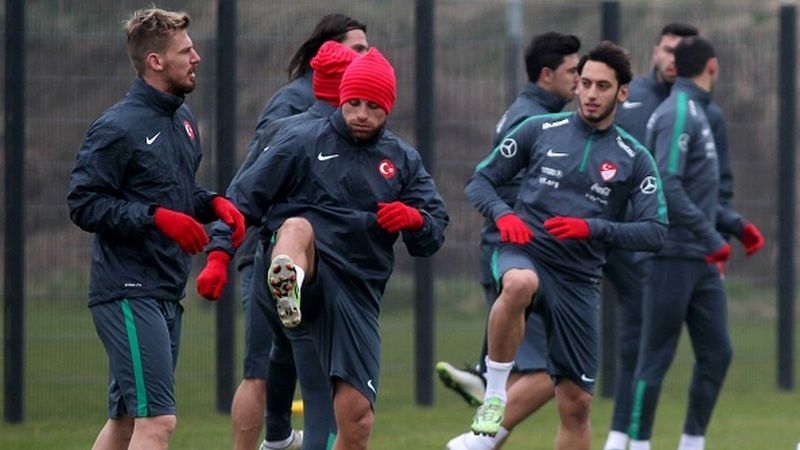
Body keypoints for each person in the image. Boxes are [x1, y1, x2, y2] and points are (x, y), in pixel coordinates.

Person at [198, 48, 448, 450]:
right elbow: (242, 200)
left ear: (388, 109)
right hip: (310, 268)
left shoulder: (401, 159)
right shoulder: (299, 139)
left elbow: (434, 231)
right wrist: (218, 255)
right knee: (297, 227)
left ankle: (290, 295)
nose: (361, 113)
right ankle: (288, 285)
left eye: (373, 106)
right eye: (353, 103)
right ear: (341, 98)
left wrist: (414, 220)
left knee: (357, 418)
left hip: (358, 291)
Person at [464, 41, 668, 450]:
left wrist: (593, 228)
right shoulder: (540, 129)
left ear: (622, 93)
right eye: (585, 83)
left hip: (578, 280)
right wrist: (504, 216)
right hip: (526, 251)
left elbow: (655, 230)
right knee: (518, 284)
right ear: (576, 85)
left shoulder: (634, 157)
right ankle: (495, 395)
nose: (591, 93)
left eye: (603, 86)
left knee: (576, 405)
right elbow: (480, 181)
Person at [66, 8, 245, 450]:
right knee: (158, 422)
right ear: (156, 62)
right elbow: (84, 204)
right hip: (128, 290)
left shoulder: (183, 122)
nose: (197, 57)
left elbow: (176, 194)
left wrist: (215, 204)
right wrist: (156, 218)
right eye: (186, 51)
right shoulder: (116, 127)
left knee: (126, 420)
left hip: (164, 289)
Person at [603, 25, 765, 450]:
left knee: (718, 354)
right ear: (713, 67)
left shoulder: (701, 113)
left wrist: (734, 225)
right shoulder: (677, 113)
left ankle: (692, 443)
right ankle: (637, 444)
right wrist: (714, 238)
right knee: (653, 357)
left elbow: (697, 191)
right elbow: (668, 187)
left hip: (701, 261)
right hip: (672, 256)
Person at [200, 40, 360, 450]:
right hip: (305, 271)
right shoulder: (309, 126)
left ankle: (275, 439)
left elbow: (237, 198)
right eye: (358, 51)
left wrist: (219, 253)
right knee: (319, 380)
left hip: (264, 262)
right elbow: (246, 194)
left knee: (279, 357)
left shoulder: (288, 126)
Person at [438, 31, 581, 450]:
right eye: (574, 72)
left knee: (517, 381)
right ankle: (469, 442)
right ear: (546, 74)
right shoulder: (529, 120)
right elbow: (517, 194)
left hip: (520, 258)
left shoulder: (537, 112)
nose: (580, 81)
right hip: (520, 259)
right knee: (554, 370)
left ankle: (484, 386)